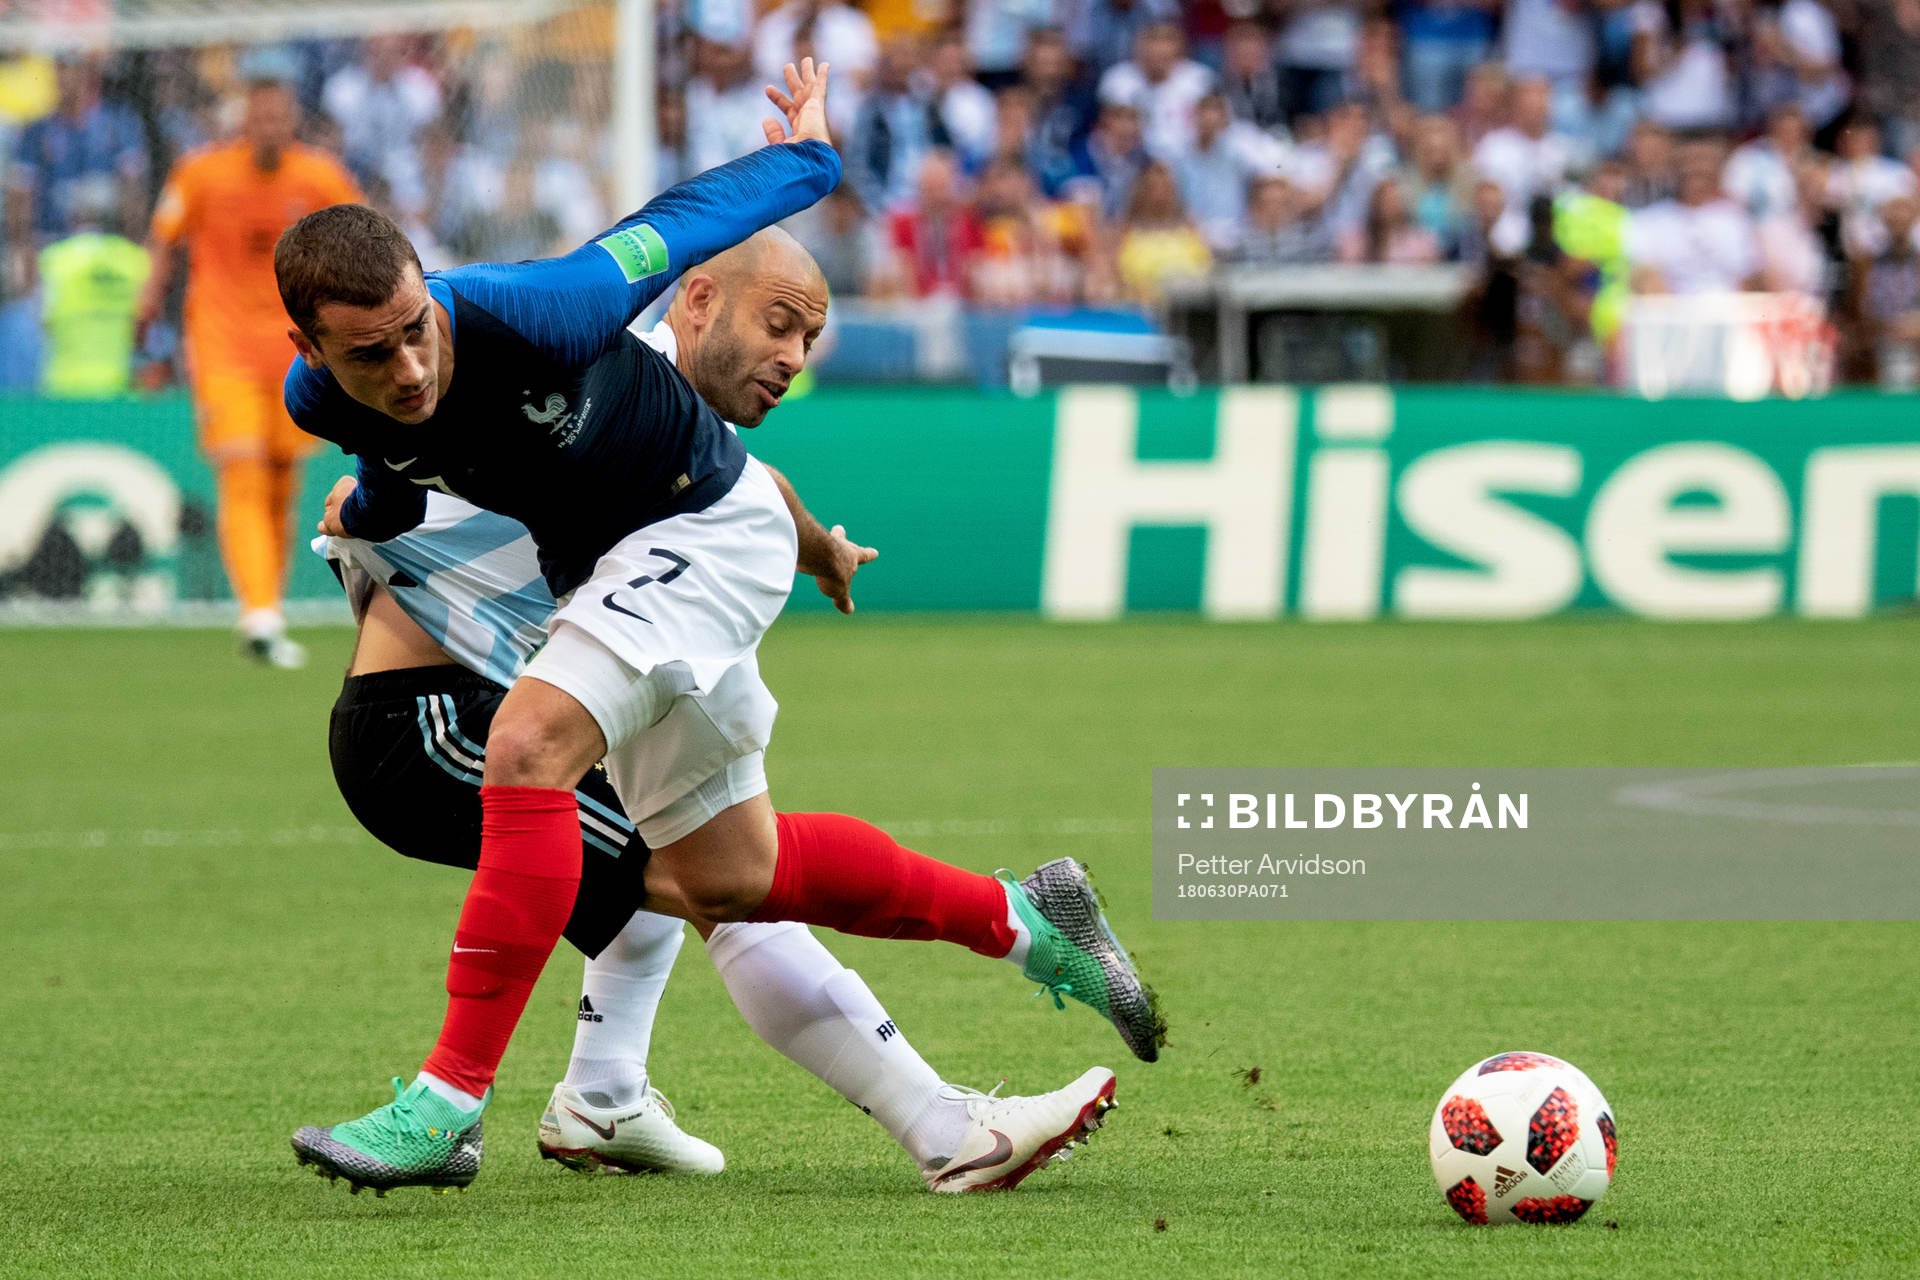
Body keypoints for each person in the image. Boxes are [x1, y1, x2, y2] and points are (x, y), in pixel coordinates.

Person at [275, 60, 1162, 1195]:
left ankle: (448, 1101)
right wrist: (380, 508)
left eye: (415, 331)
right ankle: (1030, 922)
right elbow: (390, 457)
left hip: (695, 539)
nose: (407, 366)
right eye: (369, 354)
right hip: (620, 572)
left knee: (530, 747)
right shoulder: (326, 401)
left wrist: (813, 160)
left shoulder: (537, 309)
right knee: (735, 873)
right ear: (310, 351)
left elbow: (674, 223)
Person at [138, 71, 363, 667]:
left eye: (278, 116)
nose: (268, 126)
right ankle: (258, 614)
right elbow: (164, 238)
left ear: (292, 120)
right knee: (242, 469)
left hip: (298, 350)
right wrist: (145, 305)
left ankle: (268, 606)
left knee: (284, 480)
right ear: (242, 118)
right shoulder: (201, 173)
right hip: (222, 347)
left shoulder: (319, 176)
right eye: (258, 115)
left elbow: (363, 241)